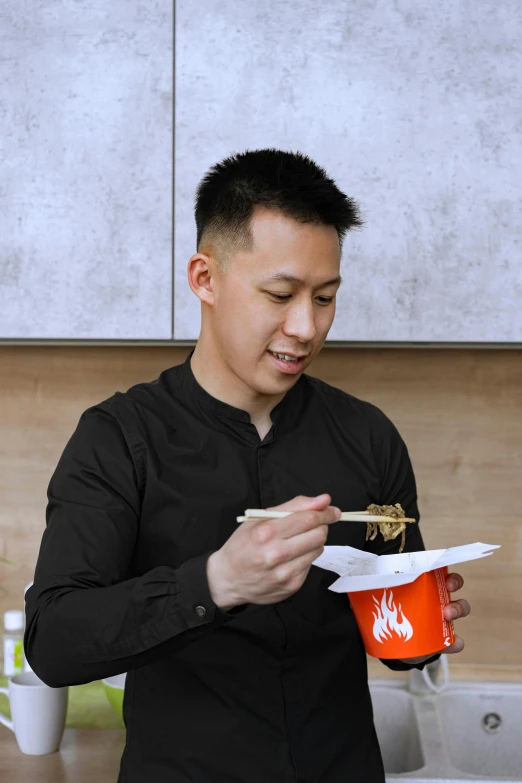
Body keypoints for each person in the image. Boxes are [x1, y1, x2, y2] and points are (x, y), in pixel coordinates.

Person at [25, 148, 471, 783]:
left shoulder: (370, 437)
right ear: (205, 279)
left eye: (325, 297)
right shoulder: (118, 438)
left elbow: (398, 634)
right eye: (280, 294)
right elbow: (53, 641)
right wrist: (215, 583)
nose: (305, 327)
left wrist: (423, 630)